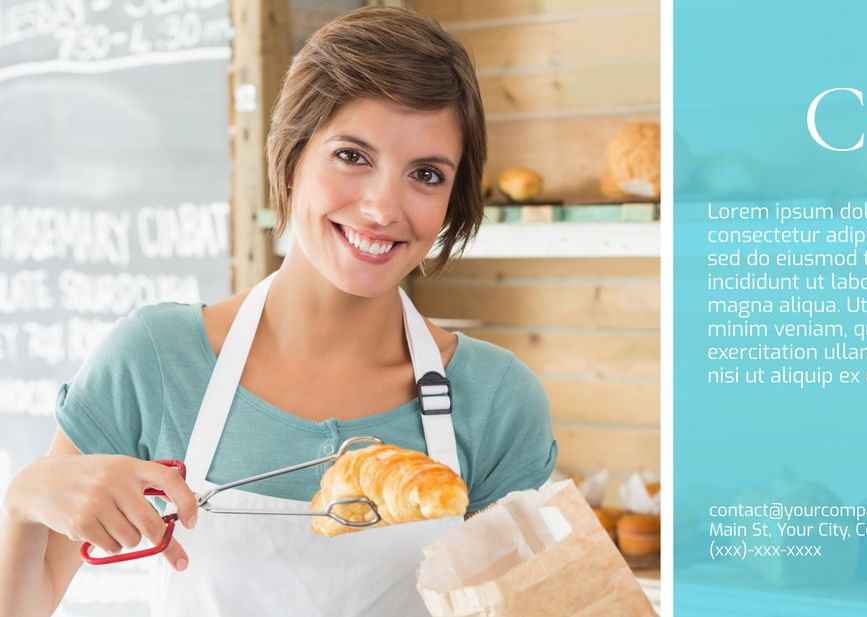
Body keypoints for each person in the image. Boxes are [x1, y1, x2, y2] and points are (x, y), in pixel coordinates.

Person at [0, 7, 557, 616]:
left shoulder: (497, 400)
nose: (381, 207)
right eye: (352, 155)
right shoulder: (156, 360)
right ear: (292, 156)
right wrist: (22, 502)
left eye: (426, 174)